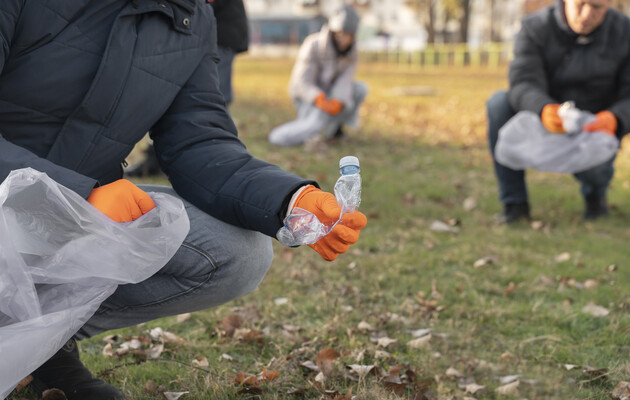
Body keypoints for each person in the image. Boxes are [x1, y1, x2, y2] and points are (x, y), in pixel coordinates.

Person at [0, 1, 367, 399]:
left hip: (81, 209)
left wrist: (289, 199)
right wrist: (73, 194)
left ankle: (41, 342)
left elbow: (198, 140)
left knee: (238, 253)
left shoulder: (193, 18)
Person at [486, 0, 630, 223]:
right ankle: (514, 204)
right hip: (546, 116)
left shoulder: (625, 32)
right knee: (499, 103)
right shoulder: (535, 27)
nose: (586, 14)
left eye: (597, 7)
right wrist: (541, 108)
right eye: (581, 4)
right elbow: (523, 81)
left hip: (595, 125)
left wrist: (616, 118)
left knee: (597, 168)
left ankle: (595, 198)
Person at [124, 0, 249, 178]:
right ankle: (162, 159)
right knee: (187, 100)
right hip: (209, 32)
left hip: (218, 35)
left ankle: (221, 165)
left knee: (211, 103)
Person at [268, 5, 369, 146]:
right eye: (340, 33)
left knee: (360, 89)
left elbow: (345, 80)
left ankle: (335, 130)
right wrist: (317, 96)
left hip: (331, 94)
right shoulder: (313, 44)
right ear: (333, 31)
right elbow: (301, 81)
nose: (343, 39)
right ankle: (281, 136)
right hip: (309, 96)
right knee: (313, 125)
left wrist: (338, 100)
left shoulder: (352, 52)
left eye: (348, 35)